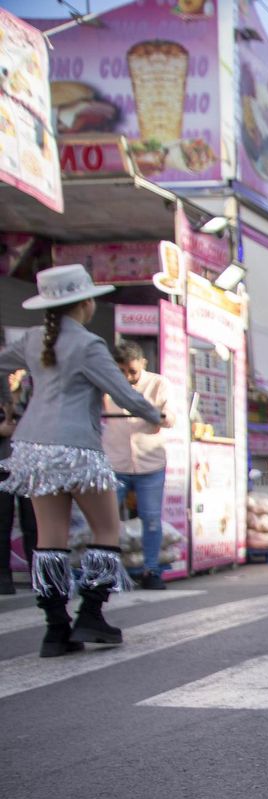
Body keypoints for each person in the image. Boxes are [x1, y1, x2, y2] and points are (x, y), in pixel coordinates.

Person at [0, 265, 163, 657]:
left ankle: (55, 629)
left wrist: (5, 406)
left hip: (32, 447)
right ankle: (90, 614)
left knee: (49, 539)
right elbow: (124, 394)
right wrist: (157, 415)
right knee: (107, 531)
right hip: (79, 448)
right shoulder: (89, 345)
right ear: (86, 303)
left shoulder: (34, 338)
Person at [103, 341, 174, 589]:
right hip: (116, 462)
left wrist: (154, 414)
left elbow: (170, 418)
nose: (127, 377)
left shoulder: (158, 383)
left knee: (151, 519)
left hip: (150, 464)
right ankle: (107, 571)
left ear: (143, 363)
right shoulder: (108, 386)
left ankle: (151, 570)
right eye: (121, 371)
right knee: (107, 520)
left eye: (132, 371)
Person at [0, 392, 38, 596]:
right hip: (2, 466)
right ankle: (3, 577)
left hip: (30, 467)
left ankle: (37, 574)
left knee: (33, 525)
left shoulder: (35, 392)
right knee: (2, 524)